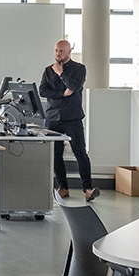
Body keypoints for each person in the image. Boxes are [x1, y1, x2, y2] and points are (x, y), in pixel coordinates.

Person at [40, 39, 98, 202]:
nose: (58, 54)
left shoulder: (79, 69)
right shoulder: (47, 71)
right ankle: (63, 187)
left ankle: (87, 189)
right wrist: (61, 93)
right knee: (56, 154)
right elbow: (42, 91)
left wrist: (60, 73)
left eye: (61, 51)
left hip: (72, 117)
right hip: (52, 118)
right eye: (56, 50)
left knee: (80, 152)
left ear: (69, 51)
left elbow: (73, 87)